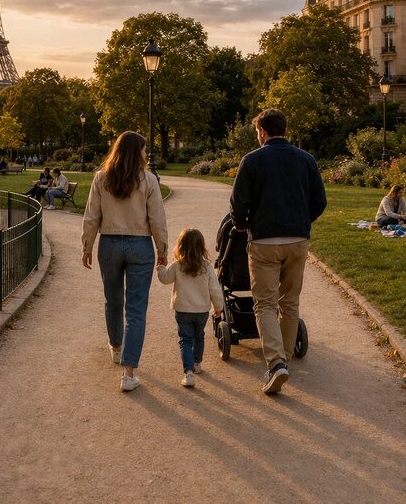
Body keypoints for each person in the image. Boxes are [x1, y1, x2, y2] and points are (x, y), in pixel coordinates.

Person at [230, 109, 327, 396]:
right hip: (297, 239)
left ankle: (275, 364)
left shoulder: (252, 160)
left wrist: (243, 225)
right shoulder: (306, 159)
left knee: (265, 303)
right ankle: (284, 358)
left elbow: (237, 203)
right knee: (290, 301)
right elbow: (320, 201)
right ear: (284, 129)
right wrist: (301, 221)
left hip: (264, 240)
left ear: (262, 131)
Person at [82, 131, 168, 392]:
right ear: (136, 151)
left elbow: (91, 216)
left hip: (109, 243)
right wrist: (162, 248)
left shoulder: (102, 178)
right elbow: (157, 219)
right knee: (136, 309)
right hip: (140, 245)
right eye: (143, 149)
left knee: (113, 299)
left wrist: (87, 245)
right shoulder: (148, 180)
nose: (145, 154)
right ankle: (129, 372)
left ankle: (116, 347)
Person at [157, 228, 224, 388]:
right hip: (201, 311)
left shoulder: (177, 265)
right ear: (202, 247)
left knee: (185, 340)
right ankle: (197, 363)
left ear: (180, 247)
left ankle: (188, 373)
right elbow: (215, 289)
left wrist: (160, 268)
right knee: (199, 336)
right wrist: (218, 307)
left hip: (182, 309)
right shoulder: (207, 267)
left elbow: (165, 279)